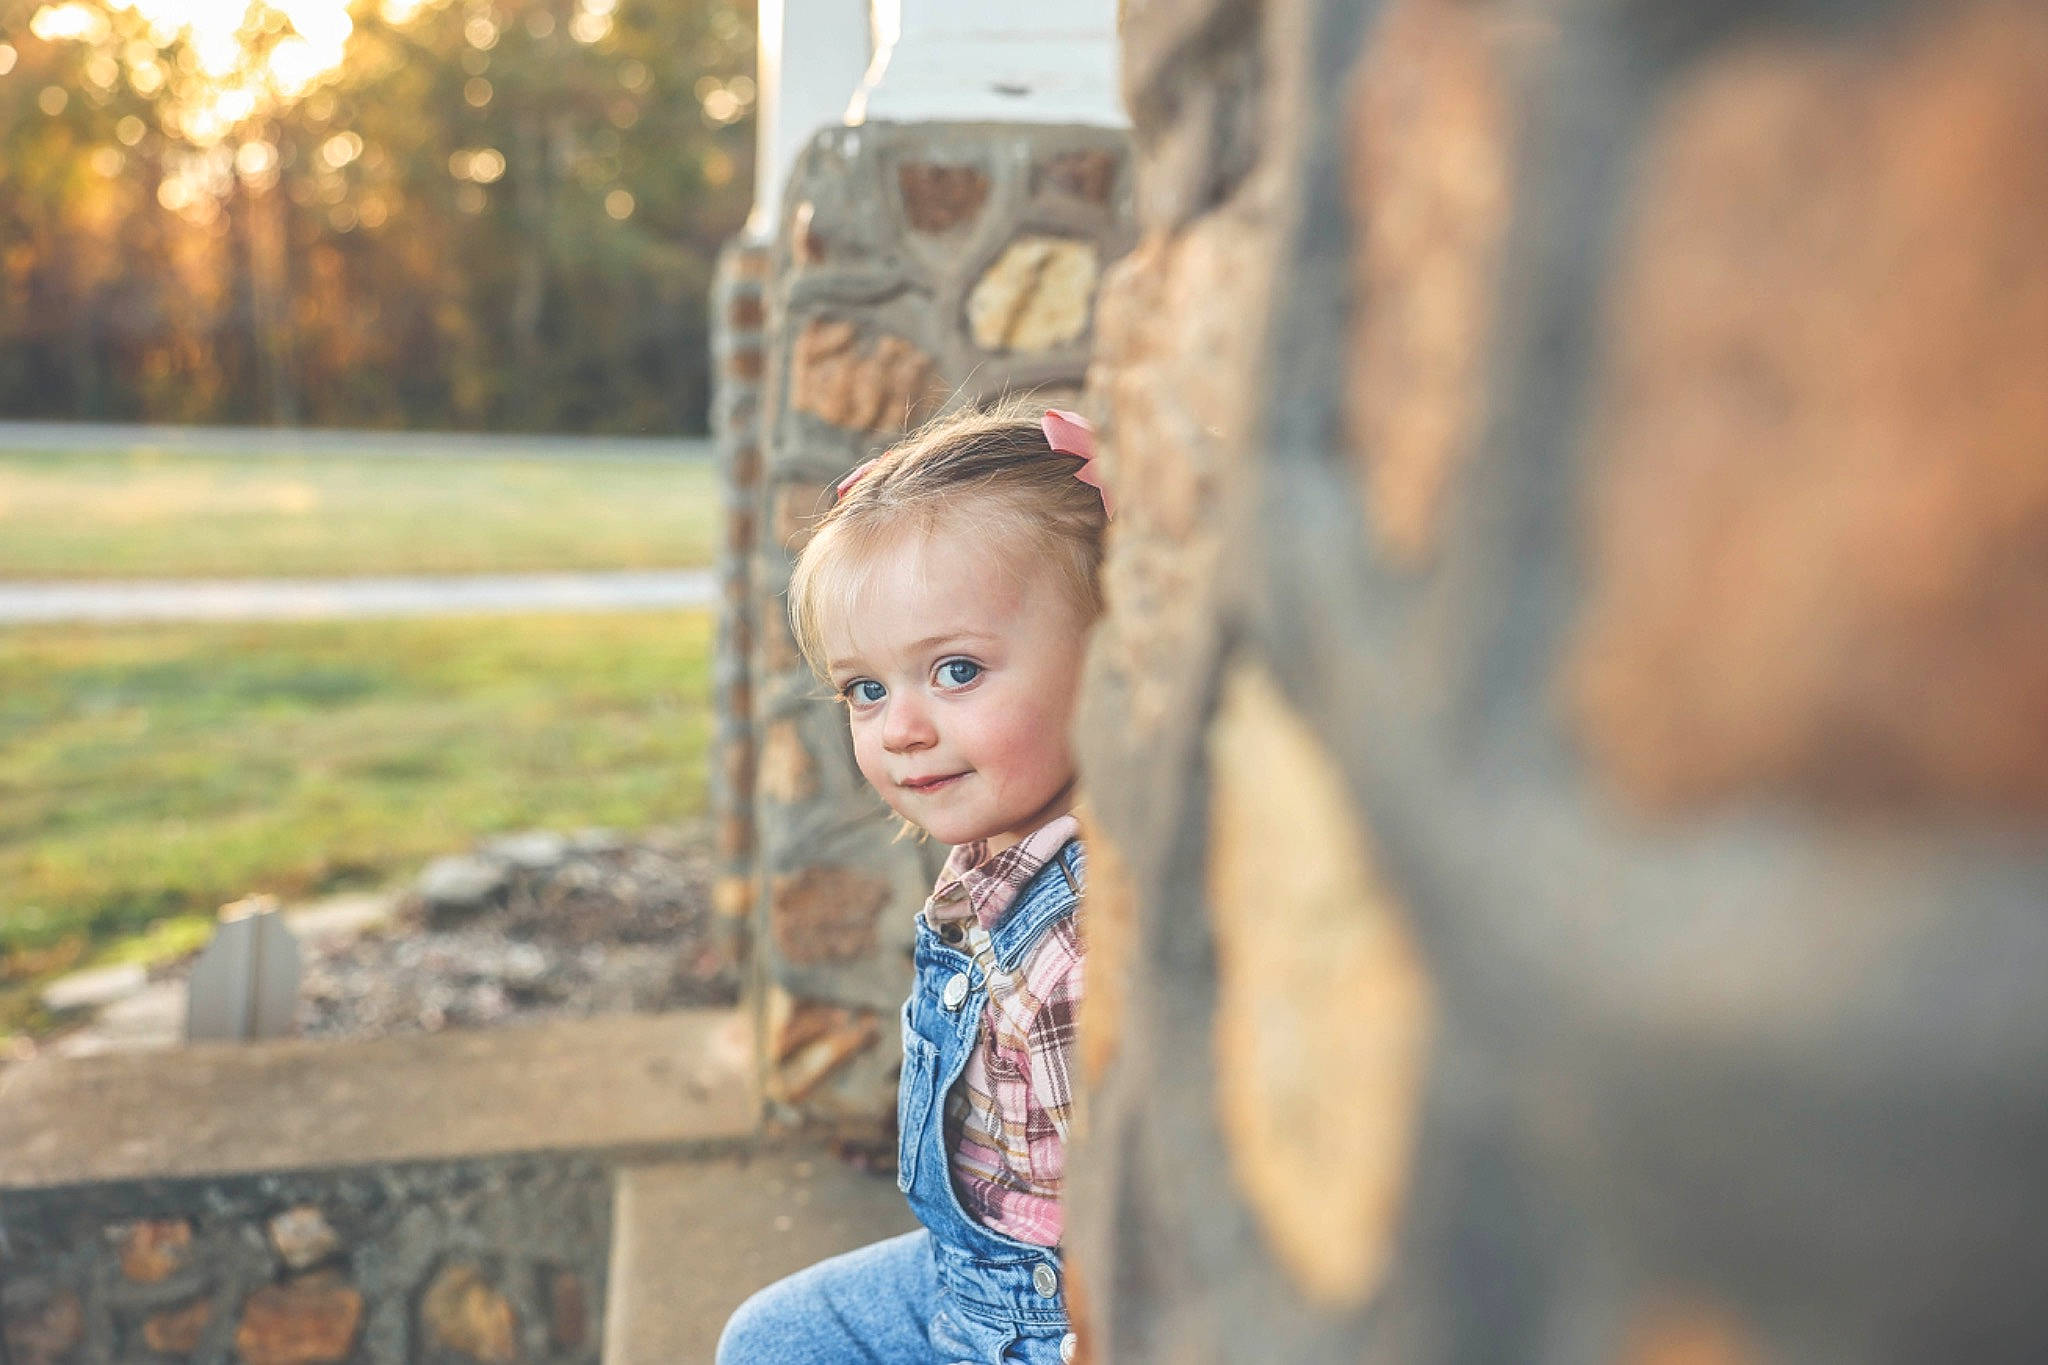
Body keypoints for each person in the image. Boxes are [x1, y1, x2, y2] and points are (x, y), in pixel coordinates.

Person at [717, 399, 1112, 1365]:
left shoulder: (1082, 944)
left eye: (957, 669)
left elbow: (1145, 1217)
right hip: (965, 1266)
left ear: (1112, 658)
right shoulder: (1004, 849)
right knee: (773, 1340)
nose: (900, 729)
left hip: (1053, 1320)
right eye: (866, 688)